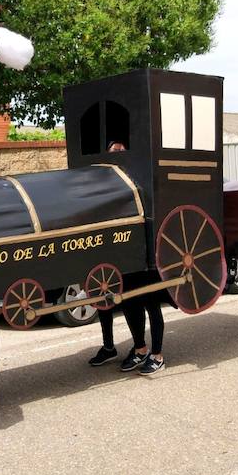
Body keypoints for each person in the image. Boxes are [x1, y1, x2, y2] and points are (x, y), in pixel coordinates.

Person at [88, 141, 167, 374]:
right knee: (131, 302)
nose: (118, 155)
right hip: (123, 254)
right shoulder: (105, 180)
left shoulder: (141, 173)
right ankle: (140, 349)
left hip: (145, 251)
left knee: (151, 304)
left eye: (122, 151)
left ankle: (158, 354)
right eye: (114, 151)